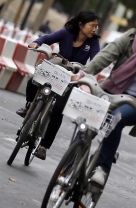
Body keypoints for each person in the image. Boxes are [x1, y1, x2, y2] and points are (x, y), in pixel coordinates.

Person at [70, 4, 136, 186]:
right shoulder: (129, 37)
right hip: (110, 90)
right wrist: (84, 73)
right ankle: (72, 159)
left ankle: (102, 168)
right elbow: (106, 55)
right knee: (88, 121)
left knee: (115, 119)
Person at [16, 10, 101, 160]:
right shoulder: (66, 33)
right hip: (57, 72)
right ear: (81, 25)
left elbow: (96, 61)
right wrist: (37, 43)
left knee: (58, 109)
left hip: (73, 78)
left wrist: (83, 74)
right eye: (92, 25)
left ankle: (43, 146)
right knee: (33, 81)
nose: (94, 29)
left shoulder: (93, 42)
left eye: (96, 26)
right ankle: (29, 105)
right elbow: (47, 38)